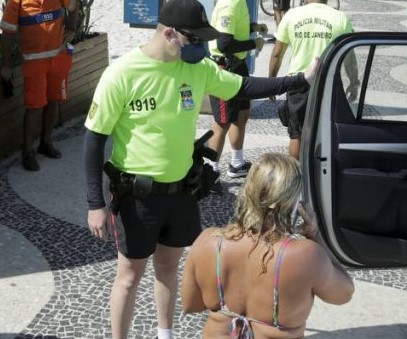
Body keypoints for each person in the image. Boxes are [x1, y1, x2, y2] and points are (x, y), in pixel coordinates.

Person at [83, 0, 318, 338]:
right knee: (129, 276)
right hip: (137, 197)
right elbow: (93, 140)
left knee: (168, 267)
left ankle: (165, 334)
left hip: (181, 192)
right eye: (194, 40)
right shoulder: (122, 73)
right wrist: (95, 203)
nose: (201, 47)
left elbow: (244, 86)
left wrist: (300, 79)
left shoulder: (197, 68)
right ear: (168, 33)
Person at [181, 153, 354, 338]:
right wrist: (315, 236)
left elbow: (191, 304)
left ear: (248, 190)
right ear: (294, 202)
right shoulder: (305, 255)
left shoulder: (208, 241)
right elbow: (344, 293)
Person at [269, 0, 359, 158]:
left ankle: (296, 177)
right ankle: (322, 174)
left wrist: (272, 82)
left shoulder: (291, 15)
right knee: (327, 131)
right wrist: (353, 81)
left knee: (297, 135)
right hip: (328, 82)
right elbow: (349, 55)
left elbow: (277, 53)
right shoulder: (340, 18)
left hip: (297, 82)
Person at [0, 0, 77, 171]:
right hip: (34, 64)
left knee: (54, 101)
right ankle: (28, 152)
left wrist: (72, 29)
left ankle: (46, 142)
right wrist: (6, 65)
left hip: (58, 58)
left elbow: (73, 6)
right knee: (34, 106)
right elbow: (6, 32)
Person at [208, 0, 267, 178]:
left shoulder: (239, 3)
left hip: (238, 66)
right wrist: (254, 44)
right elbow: (224, 43)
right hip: (225, 69)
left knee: (242, 115)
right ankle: (211, 170)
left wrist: (252, 27)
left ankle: (237, 163)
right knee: (222, 121)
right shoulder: (230, 4)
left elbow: (231, 28)